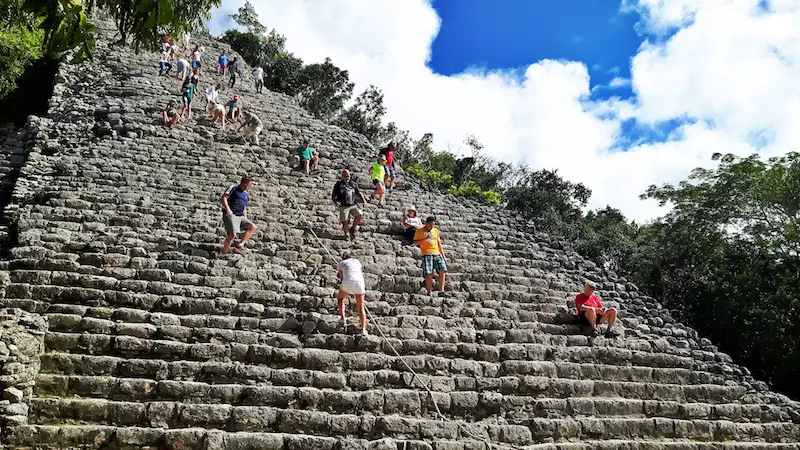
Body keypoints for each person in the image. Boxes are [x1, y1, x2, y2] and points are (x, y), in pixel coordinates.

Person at [220, 176, 257, 257]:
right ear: (245, 183)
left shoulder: (246, 194)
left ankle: (240, 245)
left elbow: (244, 207)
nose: (250, 187)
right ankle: (224, 253)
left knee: (252, 226)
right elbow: (224, 198)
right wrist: (228, 209)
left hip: (240, 216)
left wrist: (245, 218)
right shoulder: (233, 188)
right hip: (231, 214)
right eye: (249, 185)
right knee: (232, 235)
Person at [413, 216, 449, 297]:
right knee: (429, 273)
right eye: (430, 225)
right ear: (426, 223)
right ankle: (429, 292)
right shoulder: (420, 231)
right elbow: (415, 243)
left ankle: (441, 291)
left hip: (437, 253)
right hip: (427, 254)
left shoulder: (435, 231)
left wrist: (443, 255)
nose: (431, 227)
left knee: (443, 269)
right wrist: (425, 238)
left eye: (433, 225)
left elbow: (439, 244)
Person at [337, 251, 368, 336]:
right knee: (361, 308)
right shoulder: (357, 261)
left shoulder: (341, 263)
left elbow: (341, 278)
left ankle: (343, 318)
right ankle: (363, 330)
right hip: (360, 283)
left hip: (348, 282)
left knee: (340, 299)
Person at [332, 169, 368, 241]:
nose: (347, 178)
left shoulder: (353, 184)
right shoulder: (338, 185)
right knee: (345, 221)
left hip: (353, 204)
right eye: (345, 176)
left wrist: (364, 201)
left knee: (359, 215)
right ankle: (347, 235)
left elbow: (359, 193)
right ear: (342, 176)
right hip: (343, 205)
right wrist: (335, 202)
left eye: (348, 176)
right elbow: (333, 195)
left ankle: (353, 228)